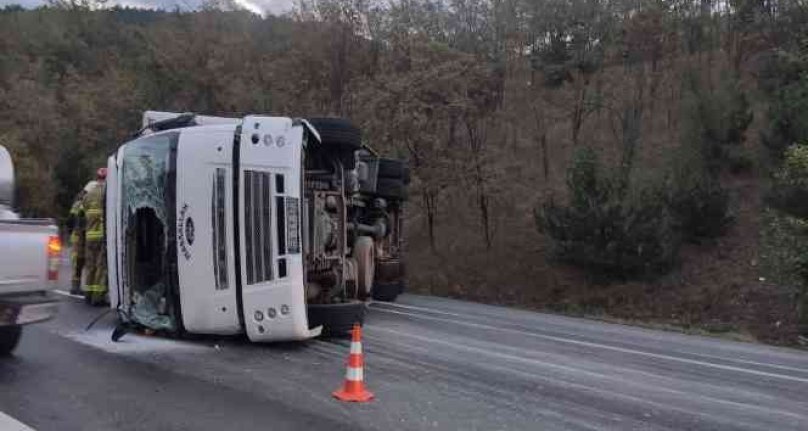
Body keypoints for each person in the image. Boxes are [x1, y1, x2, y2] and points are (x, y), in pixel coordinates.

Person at [81, 167, 107, 306]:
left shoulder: (89, 194)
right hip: (102, 236)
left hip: (90, 236)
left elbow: (83, 210)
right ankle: (97, 298)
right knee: (100, 267)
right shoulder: (106, 192)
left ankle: (88, 294)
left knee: (90, 266)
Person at [66, 189, 88, 295]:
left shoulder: (75, 205)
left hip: (75, 236)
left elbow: (69, 221)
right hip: (81, 237)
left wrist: (71, 232)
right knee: (81, 262)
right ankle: (76, 287)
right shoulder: (83, 205)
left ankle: (75, 286)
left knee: (77, 263)